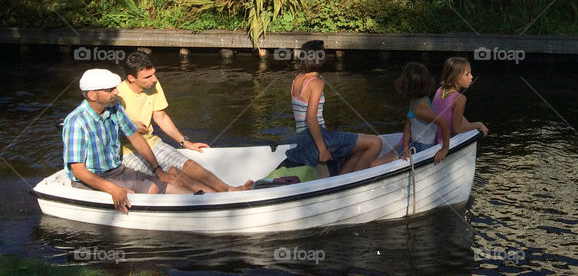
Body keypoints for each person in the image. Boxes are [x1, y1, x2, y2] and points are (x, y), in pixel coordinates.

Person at [117, 51, 253, 193]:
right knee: (173, 175)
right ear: (131, 78)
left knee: (189, 164)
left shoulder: (152, 84)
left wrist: (186, 142)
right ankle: (212, 197)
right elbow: (107, 128)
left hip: (153, 143)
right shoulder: (116, 95)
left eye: (154, 73)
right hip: (129, 151)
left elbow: (160, 116)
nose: (155, 79)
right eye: (148, 76)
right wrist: (130, 127)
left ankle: (228, 189)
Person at [62, 68, 192, 212]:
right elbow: (79, 171)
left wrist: (158, 170)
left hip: (117, 170)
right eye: (110, 90)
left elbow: (135, 137)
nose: (116, 92)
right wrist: (113, 189)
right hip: (90, 179)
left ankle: (198, 201)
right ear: (93, 95)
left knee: (169, 185)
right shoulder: (76, 122)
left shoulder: (114, 107)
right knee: (152, 190)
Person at [285, 40, 395, 175]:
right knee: (376, 143)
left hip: (303, 139)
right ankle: (356, 183)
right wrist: (323, 149)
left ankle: (342, 179)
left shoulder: (296, 79)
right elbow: (311, 119)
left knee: (360, 149)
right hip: (319, 138)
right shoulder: (316, 83)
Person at [394, 62, 449, 162]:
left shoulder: (421, 109)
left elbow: (444, 123)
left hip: (421, 148)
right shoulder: (415, 99)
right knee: (382, 158)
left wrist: (445, 148)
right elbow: (408, 124)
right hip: (412, 142)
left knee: (375, 164)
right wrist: (405, 145)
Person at [431, 57, 489, 140]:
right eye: (467, 74)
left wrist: (469, 125)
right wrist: (479, 124)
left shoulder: (440, 90)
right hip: (444, 143)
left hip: (434, 139)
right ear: (455, 77)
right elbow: (457, 130)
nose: (471, 77)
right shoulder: (460, 98)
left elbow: (452, 114)